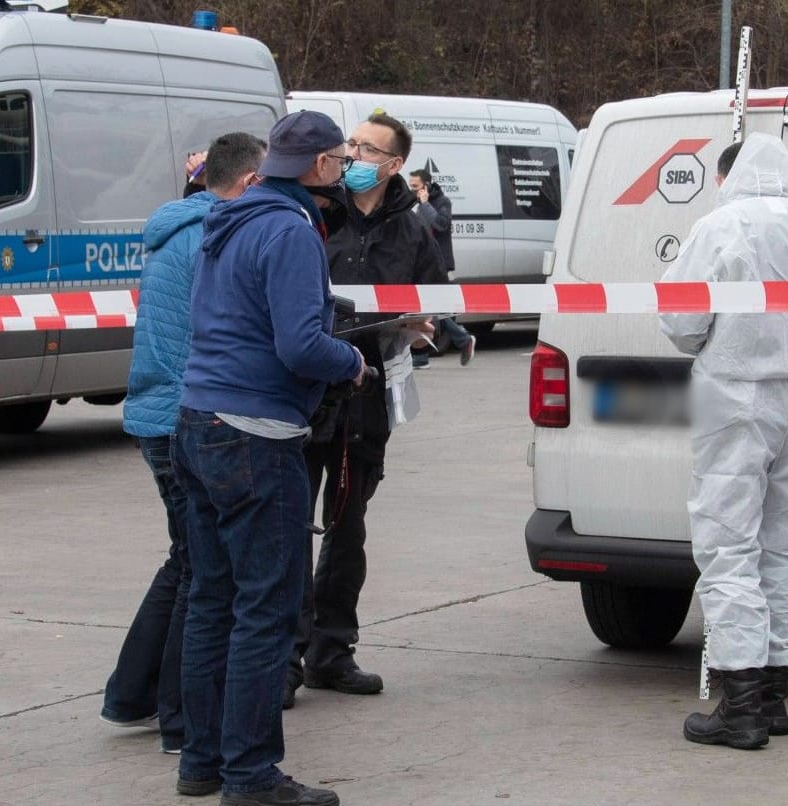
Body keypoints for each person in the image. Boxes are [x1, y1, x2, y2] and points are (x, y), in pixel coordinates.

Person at [174, 110, 364, 806]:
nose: (347, 172)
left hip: (198, 422)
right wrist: (351, 363)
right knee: (265, 610)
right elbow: (299, 345)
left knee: (212, 601)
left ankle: (202, 763)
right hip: (254, 436)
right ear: (316, 167)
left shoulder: (227, 221)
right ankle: (250, 775)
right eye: (342, 161)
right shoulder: (288, 229)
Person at [659, 134, 788, 751]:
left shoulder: (718, 226)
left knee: (729, 546)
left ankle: (741, 705)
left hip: (732, 396)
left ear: (729, 176)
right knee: (785, 543)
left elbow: (679, 320)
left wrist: (724, 346)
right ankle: (774, 695)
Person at [100, 132, 266, 756]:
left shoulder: (179, 228)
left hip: (159, 414)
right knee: (201, 573)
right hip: (186, 418)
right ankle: (179, 719)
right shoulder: (215, 239)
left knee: (186, 562)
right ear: (249, 182)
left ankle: (133, 694)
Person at [285, 113, 445, 707]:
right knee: (291, 529)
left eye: (367, 149)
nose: (353, 156)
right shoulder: (315, 212)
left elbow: (438, 308)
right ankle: (285, 657)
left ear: (394, 164)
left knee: (347, 530)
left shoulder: (415, 229)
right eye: (351, 145)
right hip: (304, 393)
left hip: (367, 396)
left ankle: (333, 649)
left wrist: (421, 326)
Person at [408, 167, 474, 367]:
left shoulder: (442, 202)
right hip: (421, 263)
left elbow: (440, 225)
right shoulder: (417, 205)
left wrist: (426, 204)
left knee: (429, 306)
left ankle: (460, 340)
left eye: (416, 186)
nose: (412, 190)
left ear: (426, 186)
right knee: (424, 306)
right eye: (410, 186)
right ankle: (422, 354)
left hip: (438, 263)